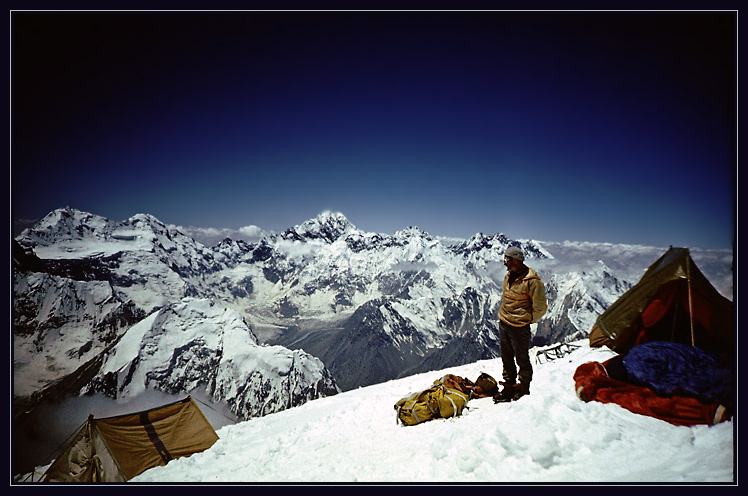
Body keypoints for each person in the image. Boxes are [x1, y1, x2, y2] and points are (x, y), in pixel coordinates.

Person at [494, 246, 548, 402]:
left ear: (516, 260)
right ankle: (509, 387)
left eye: (507, 260)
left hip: (519, 327)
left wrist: (527, 319)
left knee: (522, 359)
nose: (505, 264)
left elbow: (540, 307)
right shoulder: (508, 277)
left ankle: (523, 387)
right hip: (504, 322)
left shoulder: (532, 283)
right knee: (507, 358)